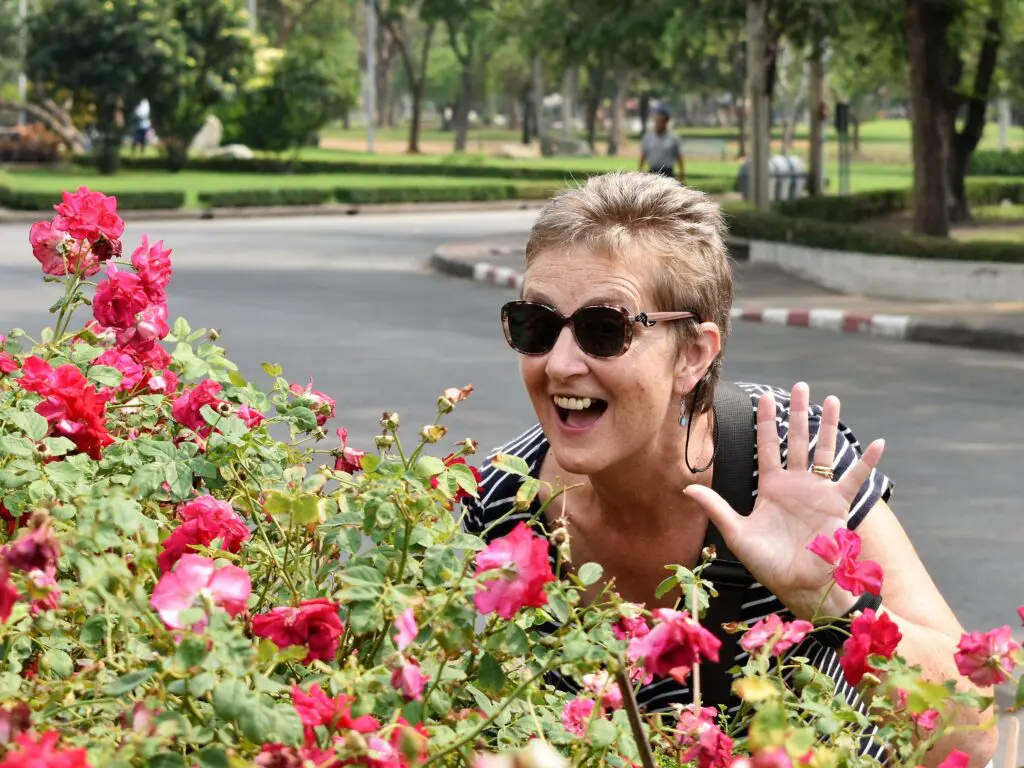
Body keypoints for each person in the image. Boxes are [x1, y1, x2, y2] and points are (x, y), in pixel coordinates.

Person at [463, 172, 996, 766]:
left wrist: (828, 599)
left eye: (604, 330)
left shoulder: (790, 467)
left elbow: (973, 735)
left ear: (692, 354)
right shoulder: (494, 513)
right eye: (536, 325)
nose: (560, 364)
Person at [638, 106, 685, 181]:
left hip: (668, 173)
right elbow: (644, 155)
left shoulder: (673, 138)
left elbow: (679, 157)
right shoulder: (648, 137)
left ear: (666, 122)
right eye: (657, 121)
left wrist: (682, 175)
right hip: (653, 172)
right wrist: (640, 171)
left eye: (660, 121)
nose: (658, 124)